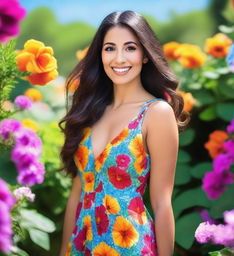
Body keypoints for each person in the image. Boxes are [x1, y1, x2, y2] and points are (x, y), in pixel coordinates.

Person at [58, 10, 190, 256]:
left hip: (130, 246)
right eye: (109, 48)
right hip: (81, 247)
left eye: (130, 48)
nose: (119, 58)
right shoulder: (89, 110)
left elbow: (162, 204)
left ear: (145, 55)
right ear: (100, 54)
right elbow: (77, 192)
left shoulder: (156, 113)